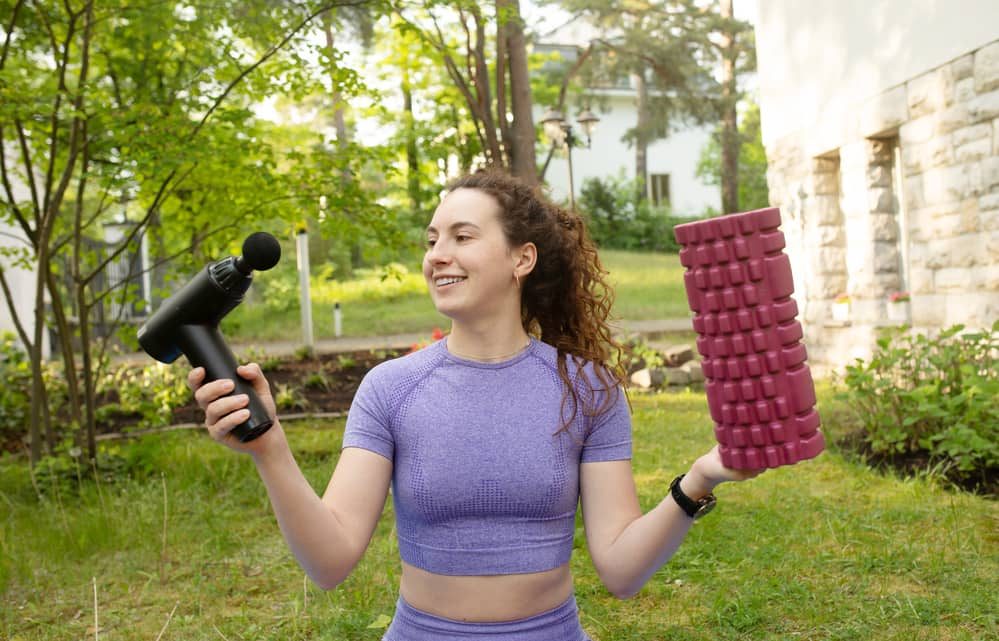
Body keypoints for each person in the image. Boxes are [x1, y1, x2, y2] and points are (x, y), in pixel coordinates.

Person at [188, 169, 760, 640]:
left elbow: (621, 570)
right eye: (432, 239)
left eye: (462, 237)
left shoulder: (588, 389)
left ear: (522, 259)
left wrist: (701, 478)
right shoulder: (390, 388)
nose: (438, 254)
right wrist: (270, 450)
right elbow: (329, 561)